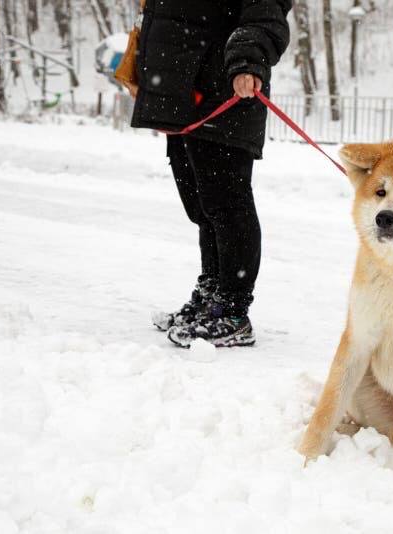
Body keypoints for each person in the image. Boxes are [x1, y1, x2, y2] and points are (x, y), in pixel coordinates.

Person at [120, 0, 292, 348]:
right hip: (183, 91)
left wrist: (248, 60)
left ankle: (232, 310)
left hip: (224, 87)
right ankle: (211, 294)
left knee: (227, 205)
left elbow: (265, 10)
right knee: (202, 207)